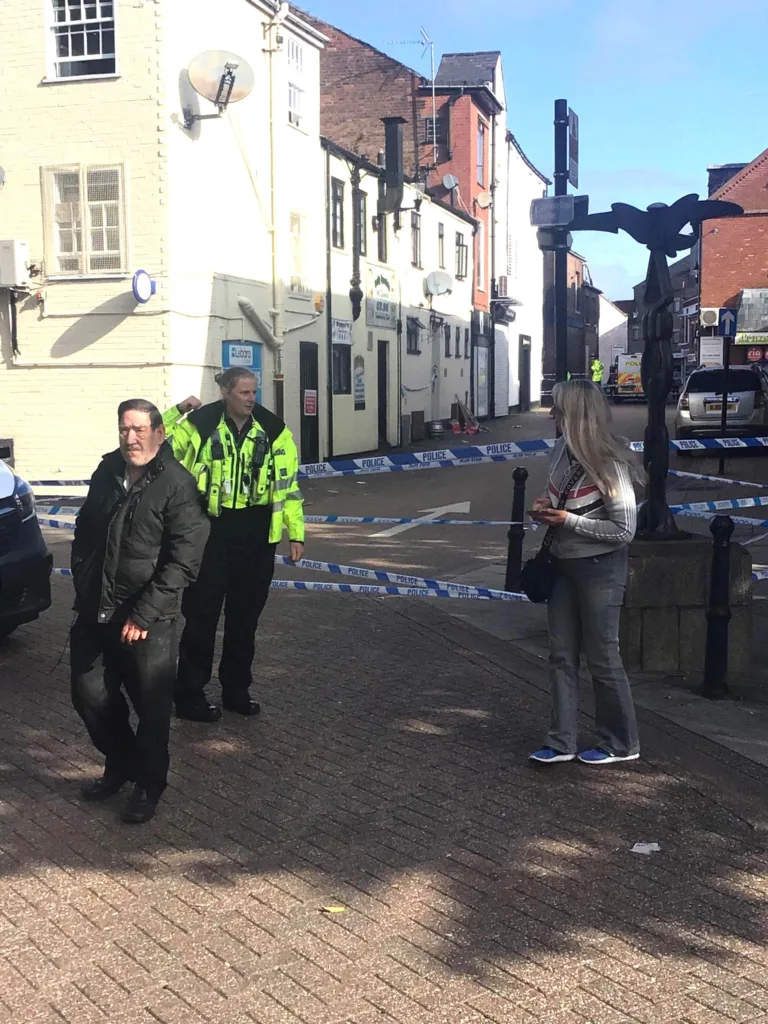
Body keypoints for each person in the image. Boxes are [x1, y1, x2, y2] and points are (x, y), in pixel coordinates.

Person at [70, 400, 210, 823]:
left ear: (159, 432)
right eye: (124, 429)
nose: (130, 438)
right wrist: (82, 579)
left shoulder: (177, 485)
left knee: (151, 710)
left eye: (139, 430)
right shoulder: (106, 471)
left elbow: (184, 560)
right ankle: (122, 762)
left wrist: (144, 614)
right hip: (97, 611)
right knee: (89, 694)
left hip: (147, 620)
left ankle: (149, 784)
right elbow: (85, 529)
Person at [163, 368, 305, 723]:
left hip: (257, 536)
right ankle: (189, 695)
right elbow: (153, 441)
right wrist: (178, 409)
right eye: (243, 392)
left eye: (253, 392)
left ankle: (236, 691)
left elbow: (288, 486)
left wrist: (296, 533)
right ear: (225, 391)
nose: (251, 398)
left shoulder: (274, 431)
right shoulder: (200, 424)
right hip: (210, 533)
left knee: (245, 621)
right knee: (201, 619)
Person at [528, 379, 643, 766]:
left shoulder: (610, 462)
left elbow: (624, 530)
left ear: (576, 413)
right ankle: (561, 741)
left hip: (600, 567)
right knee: (561, 654)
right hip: (563, 562)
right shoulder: (561, 450)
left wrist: (568, 520)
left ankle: (621, 743)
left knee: (602, 657)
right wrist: (548, 507)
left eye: (558, 409)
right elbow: (566, 501)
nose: (552, 415)